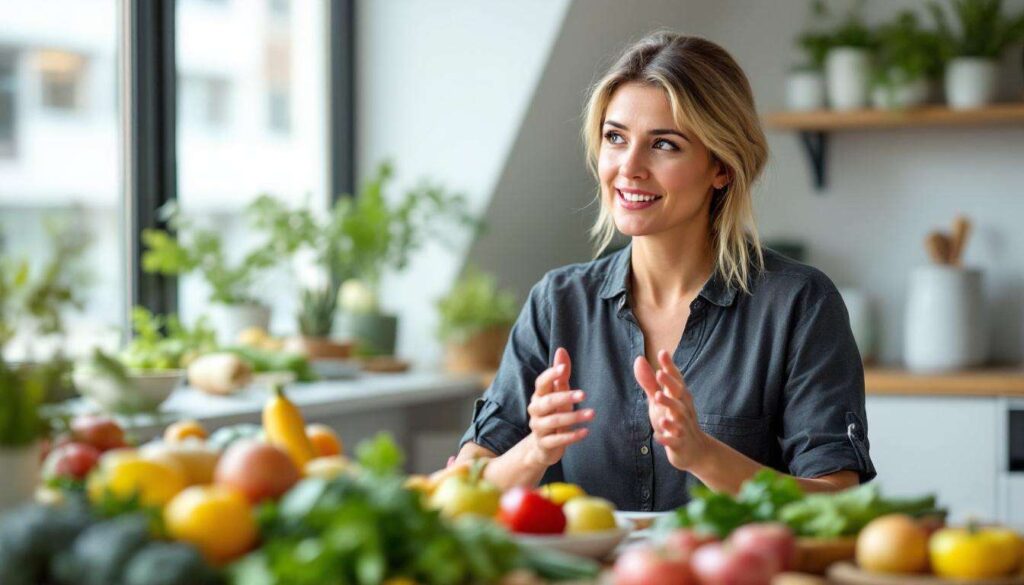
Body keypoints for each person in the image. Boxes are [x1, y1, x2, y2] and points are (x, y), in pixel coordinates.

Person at [454, 32, 875, 512]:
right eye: (616, 138)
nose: (629, 167)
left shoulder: (798, 304)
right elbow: (463, 484)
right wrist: (536, 448)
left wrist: (704, 455)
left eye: (664, 145)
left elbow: (838, 502)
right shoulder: (557, 302)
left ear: (722, 167)